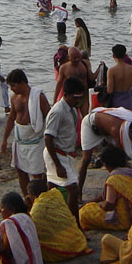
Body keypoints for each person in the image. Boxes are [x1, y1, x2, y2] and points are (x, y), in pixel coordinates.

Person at [1, 69, 50, 196]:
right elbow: (11, 118)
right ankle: (27, 198)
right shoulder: (14, 98)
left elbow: (49, 117)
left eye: (13, 85)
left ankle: (39, 199)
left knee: (36, 173)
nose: (11, 89)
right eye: (10, 86)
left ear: (22, 83)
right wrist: (5, 138)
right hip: (19, 140)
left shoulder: (38, 97)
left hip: (35, 140)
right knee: (21, 171)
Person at [43, 77, 86, 222]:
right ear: (66, 95)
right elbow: (48, 137)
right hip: (56, 153)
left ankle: (55, 218)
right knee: (73, 189)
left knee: (53, 187)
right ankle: (74, 224)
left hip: (67, 154)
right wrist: (58, 165)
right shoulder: (58, 111)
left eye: (80, 97)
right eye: (75, 97)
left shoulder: (72, 109)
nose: (78, 101)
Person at [79, 145, 132, 231]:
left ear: (106, 164)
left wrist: (100, 206)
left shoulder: (113, 180)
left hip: (125, 221)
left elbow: (109, 205)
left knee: (83, 213)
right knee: (90, 205)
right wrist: (92, 201)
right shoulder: (131, 173)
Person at [25, 180, 90, 263]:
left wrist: (28, 207)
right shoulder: (56, 194)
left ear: (32, 194)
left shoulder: (38, 208)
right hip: (78, 239)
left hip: (65, 248)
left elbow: (32, 231)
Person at [78, 106, 132, 189]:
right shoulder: (116, 130)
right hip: (91, 126)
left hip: (107, 130)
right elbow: (120, 156)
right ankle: (78, 192)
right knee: (86, 159)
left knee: (117, 163)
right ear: (129, 131)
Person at [0, 192, 43, 264]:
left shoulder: (9, 223)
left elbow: (7, 253)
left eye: (2, 208)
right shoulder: (26, 217)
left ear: (12, 210)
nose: (0, 211)